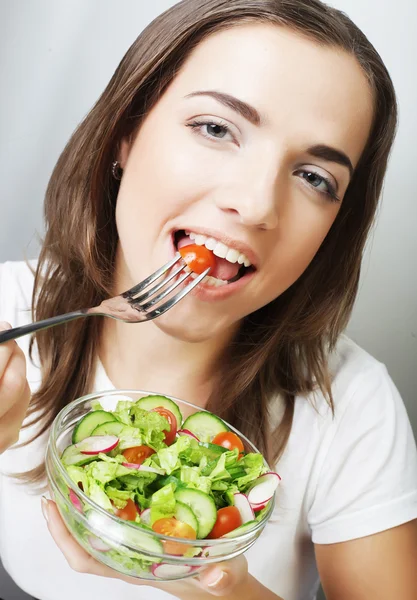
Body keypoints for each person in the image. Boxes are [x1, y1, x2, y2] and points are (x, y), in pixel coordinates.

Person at [0, 0, 416, 599]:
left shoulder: (352, 407)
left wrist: (222, 591)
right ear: (125, 132)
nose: (256, 205)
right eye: (216, 129)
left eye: (314, 177)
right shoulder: (11, 310)